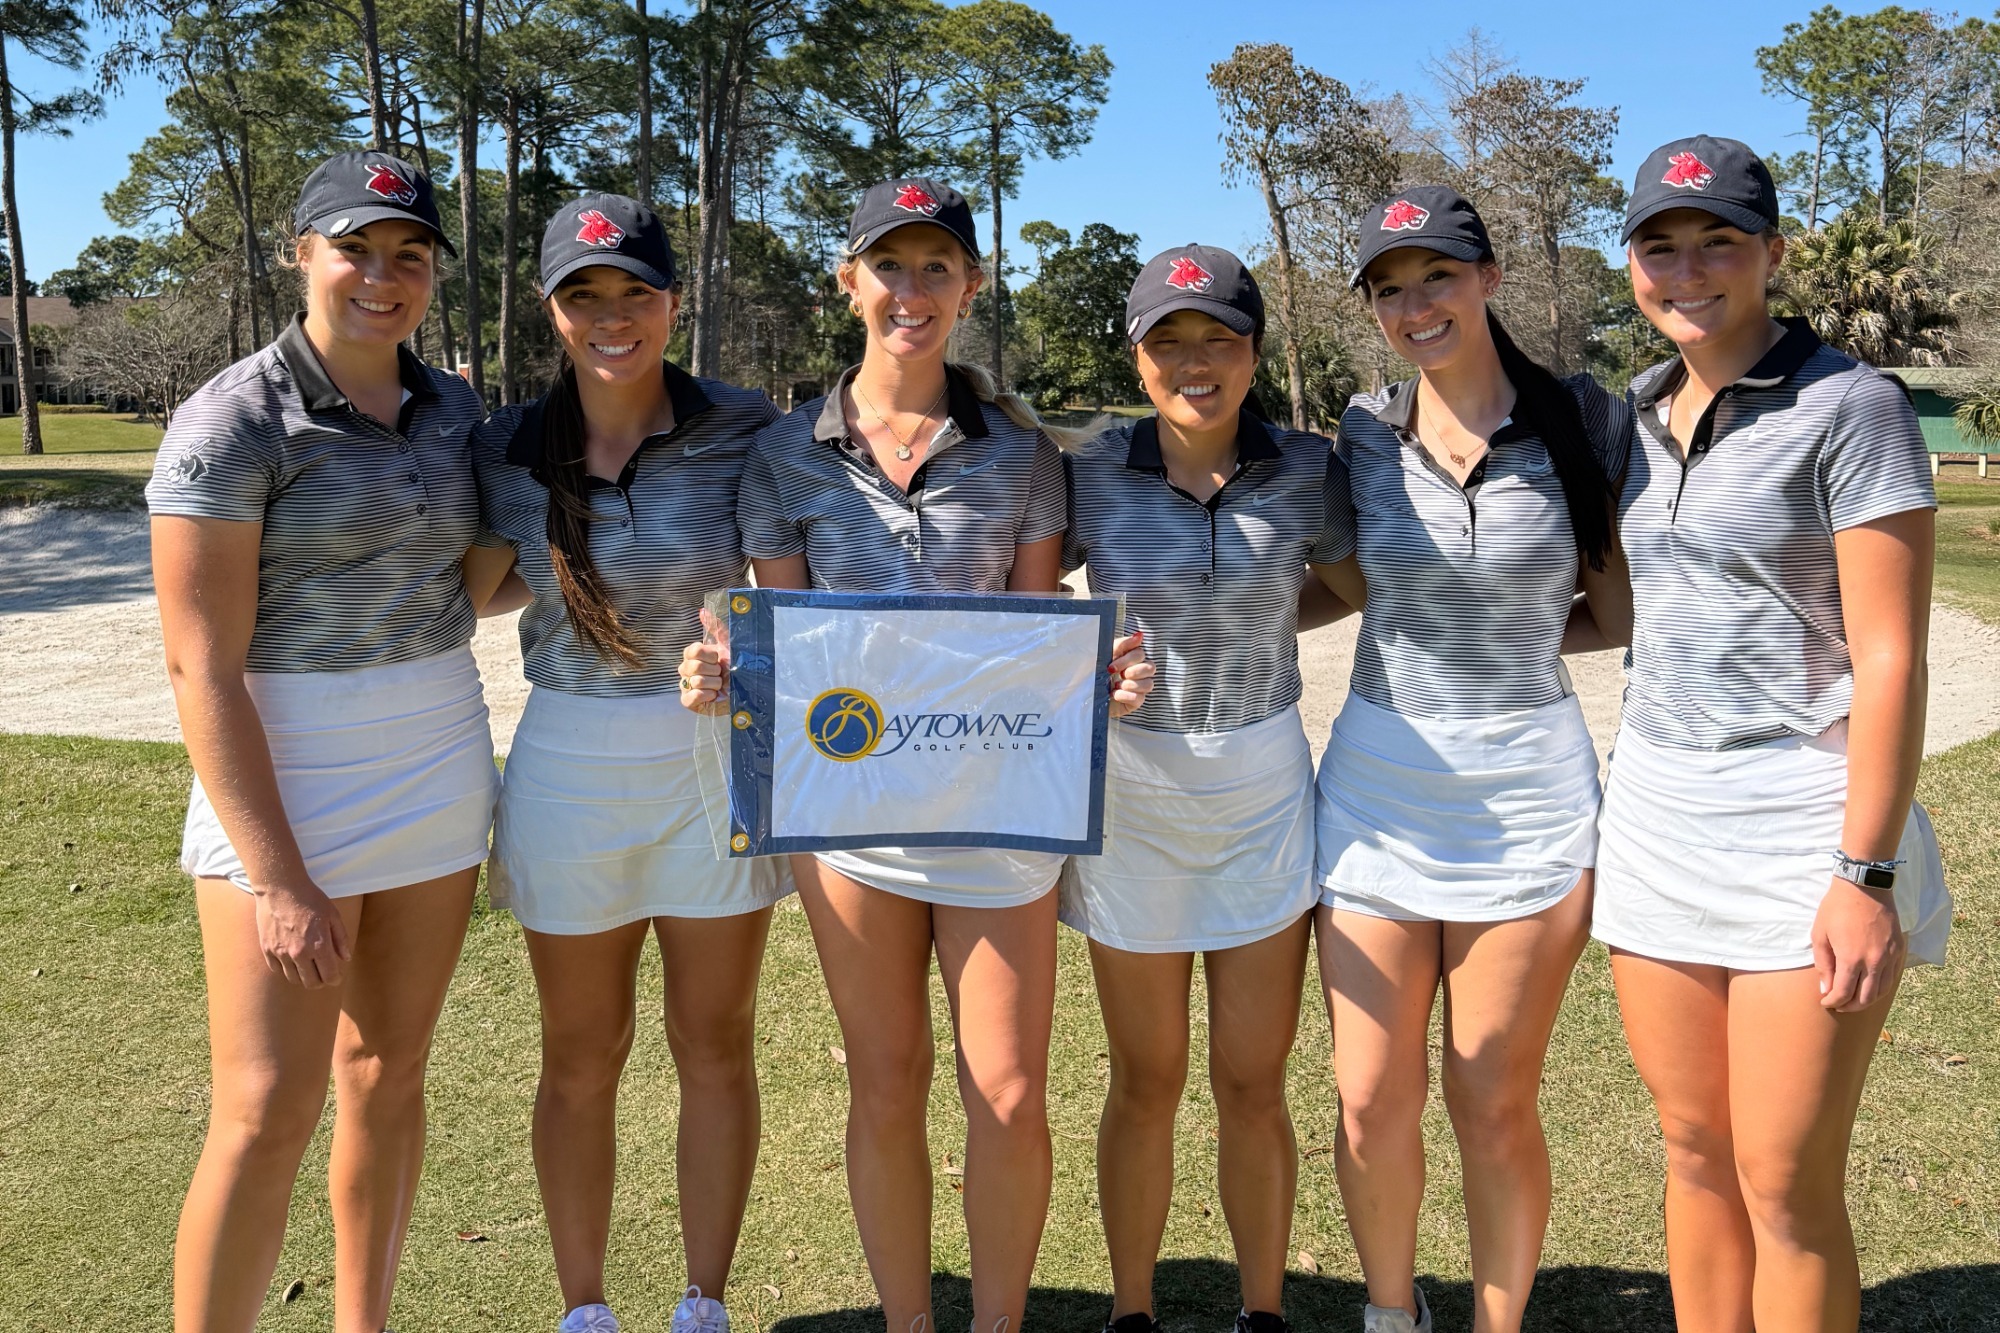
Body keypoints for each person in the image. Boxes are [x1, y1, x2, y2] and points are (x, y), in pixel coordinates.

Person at [677, 177, 1151, 1333]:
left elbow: (1039, 647)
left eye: (936, 267)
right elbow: (779, 647)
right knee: (884, 1085)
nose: (912, 290)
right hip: (851, 817)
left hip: (997, 811)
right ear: (848, 284)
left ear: (970, 287)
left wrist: (1104, 681)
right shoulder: (786, 456)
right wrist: (723, 672)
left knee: (1008, 1089)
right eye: (888, 267)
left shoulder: (1022, 454)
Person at [1593, 136, 1951, 1333]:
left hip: (1803, 812)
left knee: (1781, 1177)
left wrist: (1863, 872)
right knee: (1693, 1148)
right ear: (1630, 263)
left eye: (1716, 245)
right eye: (1660, 247)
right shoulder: (1630, 416)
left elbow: (1891, 655)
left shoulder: (1852, 405)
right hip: (1655, 806)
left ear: (1770, 255)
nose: (1685, 272)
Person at [146, 151, 500, 1333]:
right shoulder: (233, 418)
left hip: (436, 752)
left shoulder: (455, 410)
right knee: (263, 1106)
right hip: (285, 768)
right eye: (355, 248)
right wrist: (280, 874)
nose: (382, 276)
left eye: (410, 255)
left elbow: (469, 589)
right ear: (302, 253)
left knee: (387, 1077)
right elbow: (201, 662)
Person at [1311, 186, 1635, 1333]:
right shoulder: (1359, 428)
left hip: (1526, 794)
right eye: (1388, 291)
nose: (1413, 306)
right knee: (1367, 1100)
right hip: (1374, 794)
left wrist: (1503, 642)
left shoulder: (1584, 421)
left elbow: (1615, 611)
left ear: (1488, 279)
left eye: (1434, 277)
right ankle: (1389, 1314)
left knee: (1490, 1094)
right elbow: (1330, 589)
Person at [467, 195, 788, 1333]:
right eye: (583, 296)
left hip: (711, 757)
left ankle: (703, 1302)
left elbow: (784, 593)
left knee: (713, 1039)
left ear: (672, 300)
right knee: (579, 1051)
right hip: (568, 759)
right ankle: (585, 1310)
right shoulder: (503, 443)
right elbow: (472, 581)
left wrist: (741, 652)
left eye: (634, 293)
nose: (612, 316)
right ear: (552, 310)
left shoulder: (745, 426)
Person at [1058, 244, 1345, 1333]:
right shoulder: (1085, 469)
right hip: (1132, 796)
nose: (1193, 361)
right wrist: (1090, 675)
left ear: (1252, 350)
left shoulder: (1311, 467)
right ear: (1136, 359)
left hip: (1262, 787)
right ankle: (1131, 1311)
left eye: (1216, 338)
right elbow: (1029, 625)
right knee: (1145, 1075)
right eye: (1167, 341)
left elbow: (1345, 588)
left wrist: (1256, 625)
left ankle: (1260, 1310)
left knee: (1251, 1079)